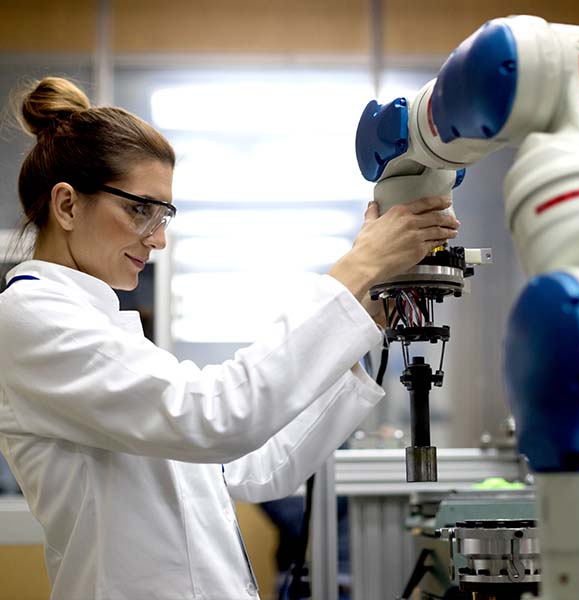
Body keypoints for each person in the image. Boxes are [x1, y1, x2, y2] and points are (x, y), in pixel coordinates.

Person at [0, 77, 459, 600]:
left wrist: (367, 316)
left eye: (164, 214)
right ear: (67, 206)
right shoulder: (32, 318)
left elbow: (255, 467)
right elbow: (214, 417)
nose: (159, 238)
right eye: (140, 209)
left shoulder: (101, 326)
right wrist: (356, 269)